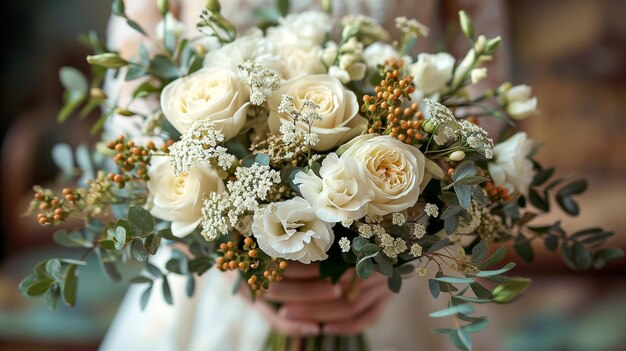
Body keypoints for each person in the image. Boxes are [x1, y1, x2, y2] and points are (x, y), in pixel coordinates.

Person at [100, 1, 508, 350]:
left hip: (405, 234)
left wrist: (404, 248)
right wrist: (224, 256)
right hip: (221, 258)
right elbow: (130, 94)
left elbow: (484, 77)